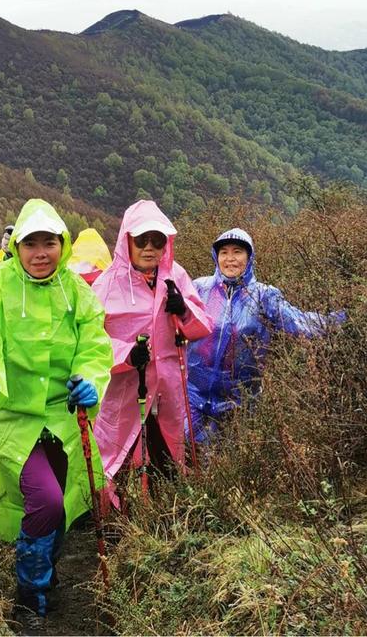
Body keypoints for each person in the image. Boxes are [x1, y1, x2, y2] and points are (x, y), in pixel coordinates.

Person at [0, 199, 113, 624]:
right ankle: (29, 594)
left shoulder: (76, 290)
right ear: (17, 246)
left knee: (62, 505)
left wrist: (88, 377)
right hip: (14, 416)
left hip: (64, 416)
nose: (41, 252)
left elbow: (95, 344)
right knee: (46, 501)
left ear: (63, 245)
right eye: (31, 243)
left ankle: (46, 572)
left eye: (50, 242)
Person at [92, 200, 212, 505]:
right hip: (125, 391)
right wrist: (126, 355)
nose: (149, 248)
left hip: (168, 389)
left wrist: (183, 310)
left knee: (167, 456)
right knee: (118, 459)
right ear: (127, 240)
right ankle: (118, 525)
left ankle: (164, 520)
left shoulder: (176, 277)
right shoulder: (107, 285)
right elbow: (90, 342)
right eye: (141, 240)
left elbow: (202, 325)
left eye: (157, 240)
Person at [186, 227, 346, 443]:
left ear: (249, 257)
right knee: (185, 460)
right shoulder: (200, 288)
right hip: (194, 397)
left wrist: (342, 320)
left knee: (231, 465)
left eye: (237, 252)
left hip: (239, 403)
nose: (230, 259)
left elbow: (298, 322)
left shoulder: (263, 295)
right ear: (216, 256)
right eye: (224, 252)